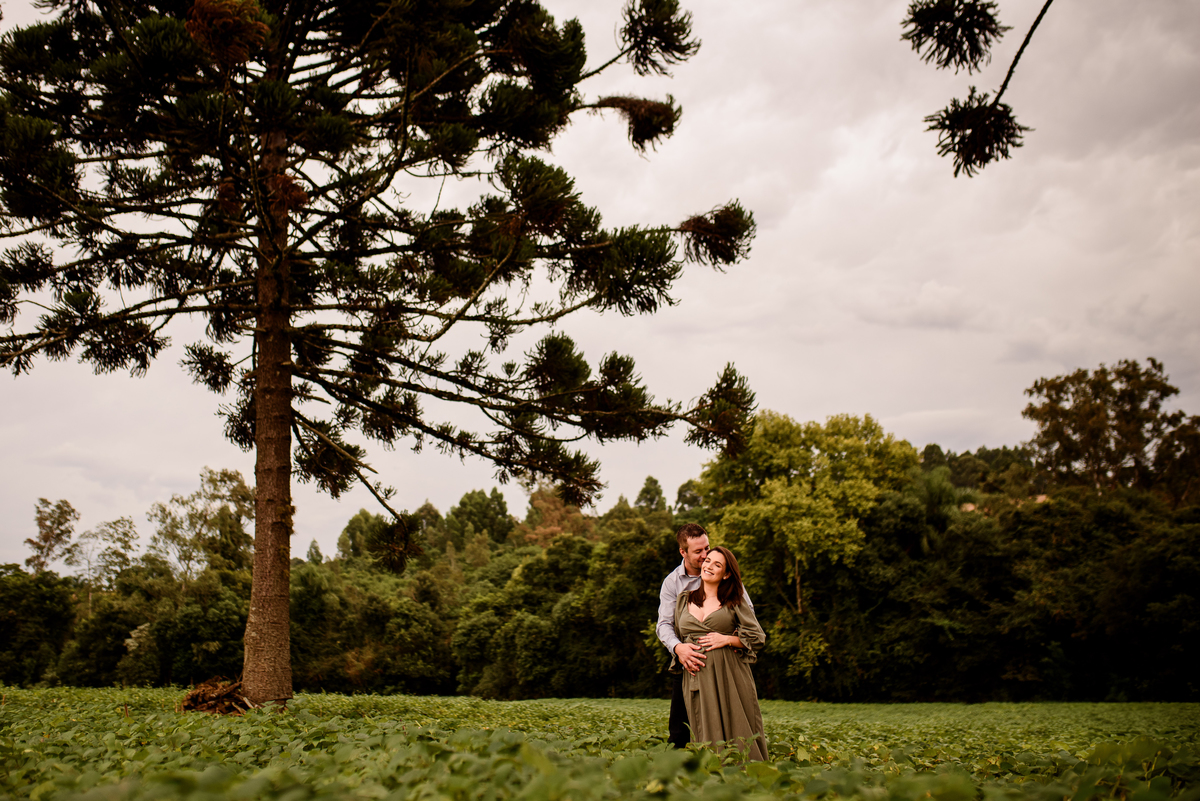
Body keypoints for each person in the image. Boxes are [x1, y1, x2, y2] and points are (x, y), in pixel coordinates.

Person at [656, 524, 753, 749]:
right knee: (680, 733)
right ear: (683, 552)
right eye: (698, 551)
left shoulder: (723, 575)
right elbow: (664, 625)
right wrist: (678, 649)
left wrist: (730, 638)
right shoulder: (673, 583)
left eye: (707, 548)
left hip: (723, 665)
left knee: (730, 727)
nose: (705, 556)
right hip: (689, 663)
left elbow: (748, 615)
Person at [672, 546, 767, 761]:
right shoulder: (684, 599)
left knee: (739, 728)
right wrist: (681, 652)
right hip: (697, 677)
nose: (709, 566)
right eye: (708, 561)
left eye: (718, 565)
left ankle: (748, 779)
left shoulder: (734, 600)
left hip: (730, 675)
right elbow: (678, 635)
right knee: (705, 729)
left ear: (726, 574)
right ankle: (713, 782)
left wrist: (727, 639)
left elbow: (757, 636)